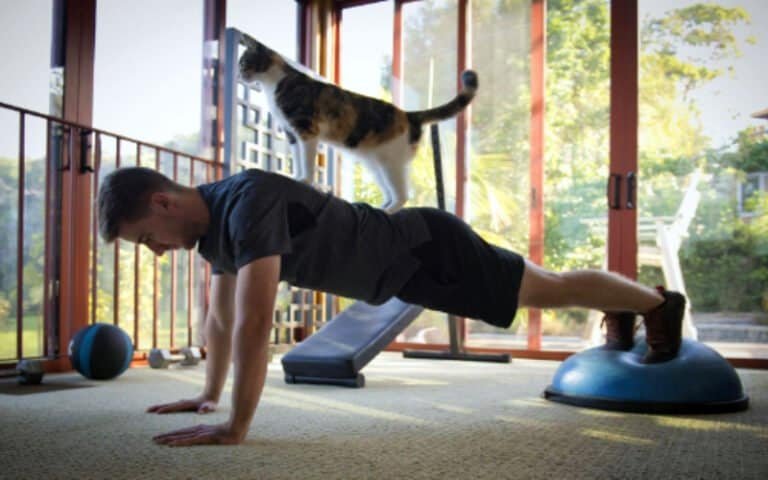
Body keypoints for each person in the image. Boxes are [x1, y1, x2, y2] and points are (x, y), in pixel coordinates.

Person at [97, 166, 685, 447]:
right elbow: (221, 318)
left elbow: (254, 322)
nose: (154, 252)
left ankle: (657, 303)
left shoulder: (248, 202)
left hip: (425, 251)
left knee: (547, 290)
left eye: (145, 237)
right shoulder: (214, 233)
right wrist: (208, 392)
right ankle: (631, 306)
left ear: (162, 201)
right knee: (546, 283)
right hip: (413, 263)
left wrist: (236, 425)